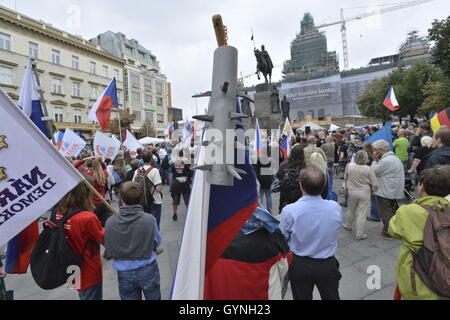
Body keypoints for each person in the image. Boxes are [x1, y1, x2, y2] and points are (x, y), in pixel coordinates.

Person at [280, 166, 342, 300]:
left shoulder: (290, 211)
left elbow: (283, 237)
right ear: (324, 186)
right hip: (327, 264)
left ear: (301, 186)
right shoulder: (335, 208)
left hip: (299, 264)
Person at [388, 168, 450, 300]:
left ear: (421, 186)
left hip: (417, 277)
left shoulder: (409, 211)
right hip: (444, 275)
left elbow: (393, 230)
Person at [104, 182, 161, 300]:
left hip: (124, 271)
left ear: (122, 199)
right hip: (147, 267)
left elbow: (110, 246)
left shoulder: (110, 222)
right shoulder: (149, 219)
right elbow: (156, 241)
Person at [54, 180, 105, 300]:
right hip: (89, 269)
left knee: (83, 294)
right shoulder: (88, 218)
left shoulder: (59, 214)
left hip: (71, 267)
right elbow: (103, 238)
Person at [371, 140, 405, 239]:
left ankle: (387, 232)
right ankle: (394, 229)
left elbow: (373, 171)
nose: (373, 152)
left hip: (386, 191)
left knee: (386, 212)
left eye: (375, 150)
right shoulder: (393, 158)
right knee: (391, 210)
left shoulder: (387, 160)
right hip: (392, 190)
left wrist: (374, 160)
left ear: (380, 150)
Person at [342, 151, 379, 240]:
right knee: (362, 213)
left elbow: (345, 178)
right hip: (365, 192)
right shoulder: (369, 169)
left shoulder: (349, 166)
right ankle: (359, 234)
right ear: (366, 157)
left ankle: (348, 224)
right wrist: (373, 190)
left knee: (351, 209)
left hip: (352, 191)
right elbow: (375, 184)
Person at [73, 157, 110, 227]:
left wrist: (83, 159)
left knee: (92, 227)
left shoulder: (87, 175)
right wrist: (100, 162)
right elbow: (104, 168)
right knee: (103, 226)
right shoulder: (103, 174)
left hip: (92, 205)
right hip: (103, 203)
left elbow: (74, 167)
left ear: (88, 166)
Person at [133, 152, 163, 228]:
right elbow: (158, 188)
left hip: (142, 201)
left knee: (146, 225)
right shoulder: (154, 170)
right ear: (151, 159)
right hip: (154, 200)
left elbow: (133, 185)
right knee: (155, 225)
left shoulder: (137, 171)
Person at [277, 145, 306, 213]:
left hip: (285, 199)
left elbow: (279, 179)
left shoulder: (283, 165)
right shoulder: (305, 167)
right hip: (300, 199)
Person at [170, 150, 192, 222]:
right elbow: (190, 173)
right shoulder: (187, 163)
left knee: (175, 201)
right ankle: (189, 214)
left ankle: (174, 214)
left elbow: (172, 173)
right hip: (185, 183)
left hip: (176, 183)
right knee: (187, 200)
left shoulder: (173, 164)